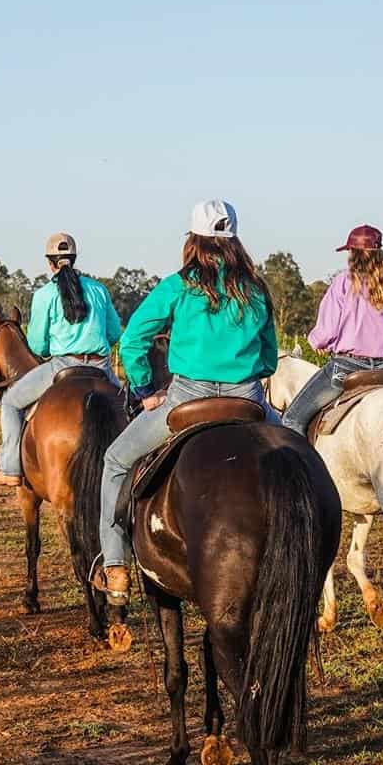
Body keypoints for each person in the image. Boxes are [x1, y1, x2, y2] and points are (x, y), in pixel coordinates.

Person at [95, 199, 279, 604]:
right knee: (301, 450)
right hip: (247, 401)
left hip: (185, 402)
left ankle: (114, 565)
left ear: (193, 240)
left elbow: (132, 341)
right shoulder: (255, 289)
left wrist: (146, 391)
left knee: (115, 461)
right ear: (234, 240)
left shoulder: (177, 286)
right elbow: (268, 358)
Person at [0, 233, 125, 487]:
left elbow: (38, 345)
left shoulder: (44, 294)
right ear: (73, 259)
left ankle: (10, 468)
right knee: (133, 408)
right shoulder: (99, 290)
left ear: (50, 262)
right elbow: (114, 333)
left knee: (10, 403)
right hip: (101, 367)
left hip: (63, 366)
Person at [279, 224, 383, 435]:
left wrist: (317, 342)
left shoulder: (343, 282)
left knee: (291, 419)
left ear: (353, 253)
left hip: (348, 366)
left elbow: (326, 331)